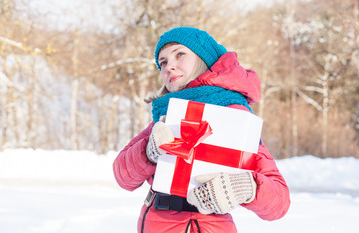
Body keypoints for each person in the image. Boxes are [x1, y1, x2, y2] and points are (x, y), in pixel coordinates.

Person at [113, 26, 290, 233]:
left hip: (206, 225)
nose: (169, 66)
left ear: (203, 59)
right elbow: (123, 177)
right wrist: (148, 151)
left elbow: (280, 202)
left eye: (180, 54)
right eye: (163, 62)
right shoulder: (166, 115)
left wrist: (247, 188)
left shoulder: (232, 114)